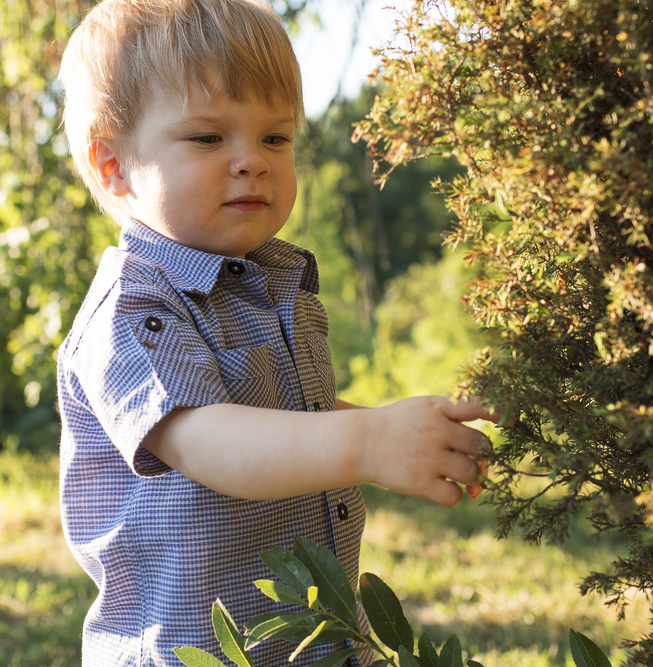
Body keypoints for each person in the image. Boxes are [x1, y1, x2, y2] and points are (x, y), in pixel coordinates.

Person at [55, 0, 502, 664]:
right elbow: (208, 440)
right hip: (193, 652)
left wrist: (399, 433)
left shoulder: (273, 279)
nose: (252, 161)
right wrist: (369, 442)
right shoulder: (133, 308)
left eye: (275, 137)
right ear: (112, 162)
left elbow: (292, 419)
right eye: (208, 138)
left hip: (307, 642)